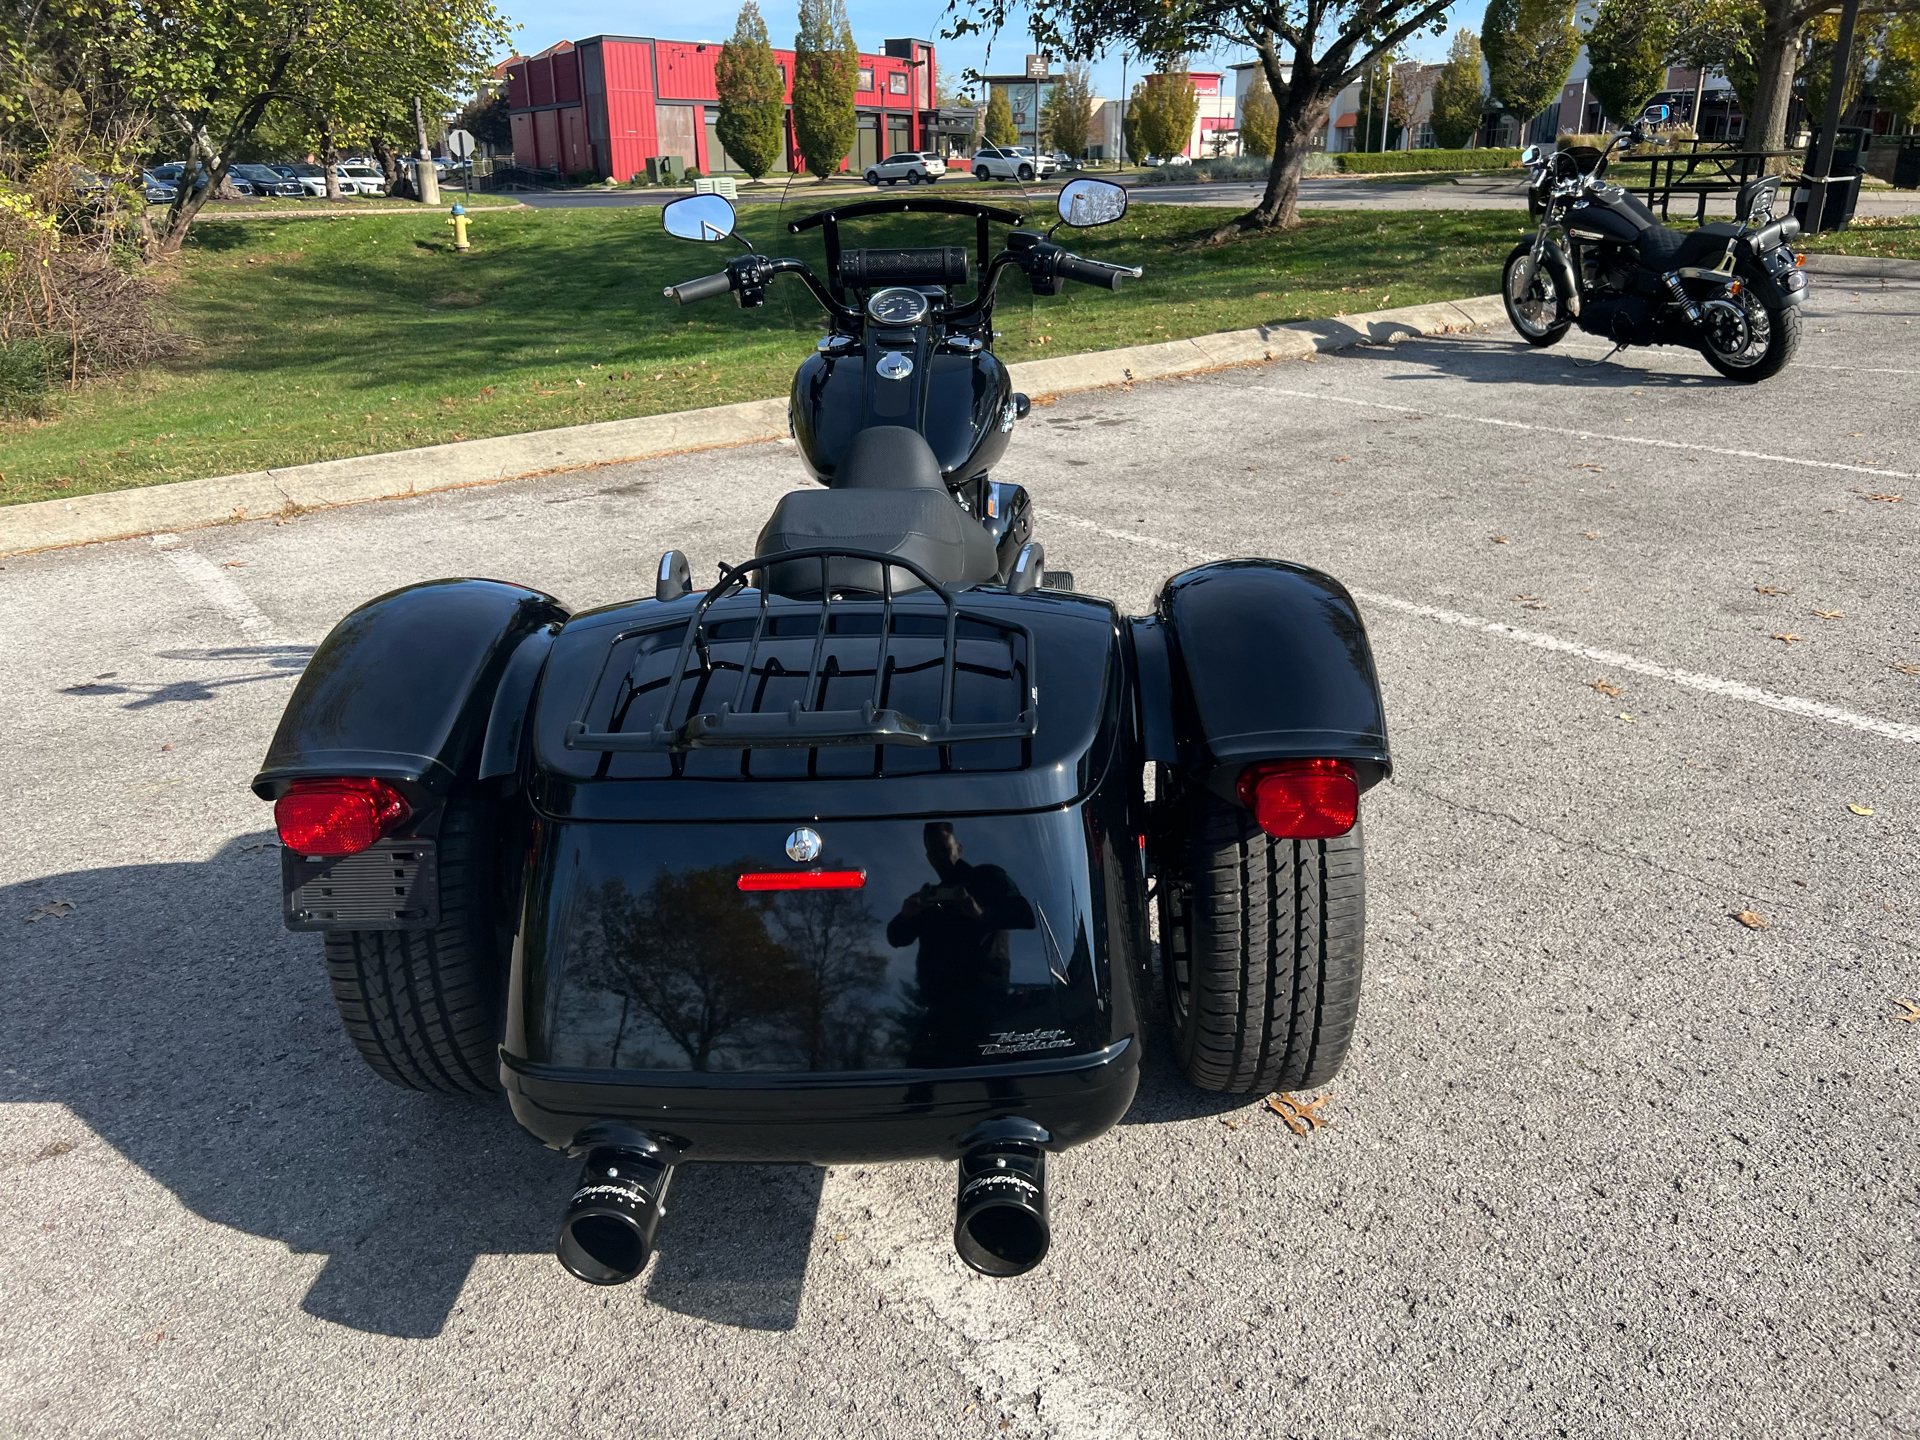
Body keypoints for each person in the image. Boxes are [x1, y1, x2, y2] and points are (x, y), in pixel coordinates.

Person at [886, 821, 1034, 1063]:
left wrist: (980, 913)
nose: (940, 858)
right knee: (920, 1075)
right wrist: (907, 915)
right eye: (933, 853)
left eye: (944, 850)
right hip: (940, 1001)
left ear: (959, 849)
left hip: (982, 997)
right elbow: (896, 937)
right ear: (928, 857)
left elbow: (1025, 916)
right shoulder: (930, 898)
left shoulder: (986, 879)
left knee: (993, 1074)